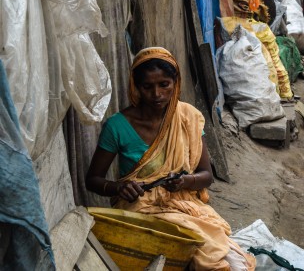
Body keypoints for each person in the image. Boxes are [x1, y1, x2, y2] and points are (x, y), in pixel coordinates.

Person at [86, 48, 255, 270]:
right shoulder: (117, 126)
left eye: (164, 84)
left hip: (184, 205)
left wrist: (185, 182)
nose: (157, 94)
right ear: (135, 87)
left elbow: (206, 176)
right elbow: (92, 180)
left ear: (176, 82)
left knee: (234, 262)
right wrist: (118, 187)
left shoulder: (188, 117)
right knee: (204, 257)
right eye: (147, 87)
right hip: (140, 208)